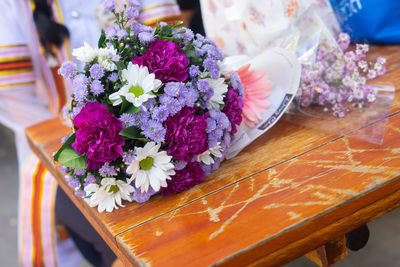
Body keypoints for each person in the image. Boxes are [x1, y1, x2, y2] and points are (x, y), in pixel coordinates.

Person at [0, 0, 181, 266]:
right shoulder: (13, 6)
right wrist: (86, 137)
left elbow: (171, 46)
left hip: (154, 128)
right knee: (123, 244)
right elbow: (14, 98)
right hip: (65, 147)